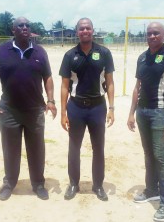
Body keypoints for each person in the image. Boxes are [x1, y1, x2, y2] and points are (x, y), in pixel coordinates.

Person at [0, 17, 57, 201]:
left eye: (27, 25)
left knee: (37, 149)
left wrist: (51, 100)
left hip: (34, 111)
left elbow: (48, 77)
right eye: (20, 25)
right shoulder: (1, 51)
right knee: (10, 150)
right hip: (8, 111)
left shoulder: (40, 51)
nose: (25, 28)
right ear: (13, 30)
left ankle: (38, 184)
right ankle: (9, 183)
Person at [127, 22, 164, 221]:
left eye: (156, 33)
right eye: (149, 33)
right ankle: (151, 189)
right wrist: (131, 113)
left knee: (161, 157)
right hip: (142, 113)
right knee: (148, 154)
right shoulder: (142, 57)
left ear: (163, 35)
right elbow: (138, 87)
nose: (152, 36)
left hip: (162, 113)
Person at [59, 18, 115, 201]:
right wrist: (63, 113)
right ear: (77, 32)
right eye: (81, 29)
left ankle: (98, 185)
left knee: (98, 148)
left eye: (88, 28)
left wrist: (112, 108)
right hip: (76, 107)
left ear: (92, 30)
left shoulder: (104, 53)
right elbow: (65, 86)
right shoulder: (69, 55)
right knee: (74, 148)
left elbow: (110, 82)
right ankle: (73, 184)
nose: (85, 31)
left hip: (98, 107)